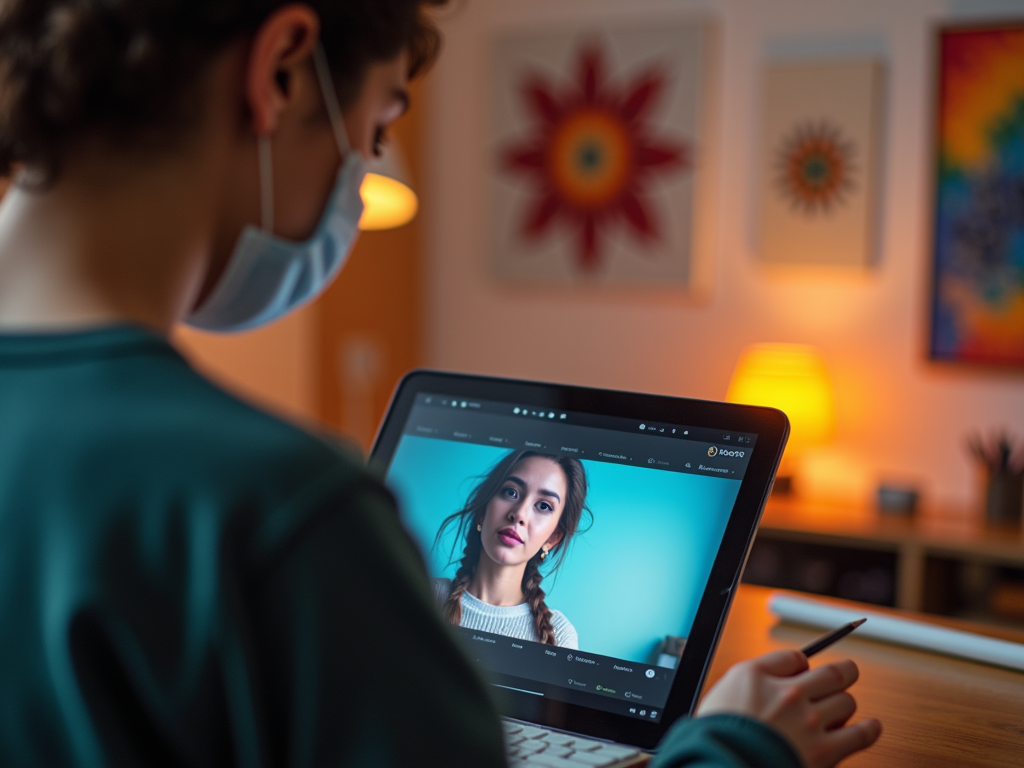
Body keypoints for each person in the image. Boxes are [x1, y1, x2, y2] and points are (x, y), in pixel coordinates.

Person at [0, 1, 881, 766]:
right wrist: (738, 748)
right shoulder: (279, 510)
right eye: (377, 130)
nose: (364, 176)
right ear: (281, 68)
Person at [434, 451, 589, 648]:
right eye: (511, 492)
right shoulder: (422, 594)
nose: (519, 514)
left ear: (553, 537)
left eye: (543, 505)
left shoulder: (560, 636)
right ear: (483, 511)